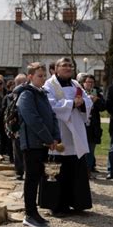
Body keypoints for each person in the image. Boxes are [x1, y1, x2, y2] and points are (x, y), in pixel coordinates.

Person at [44, 57, 93, 215]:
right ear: (56, 69)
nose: (68, 68)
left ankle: (77, 203)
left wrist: (83, 103)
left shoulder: (76, 84)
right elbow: (50, 105)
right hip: (60, 131)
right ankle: (57, 206)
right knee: (58, 171)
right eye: (64, 65)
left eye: (70, 65)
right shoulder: (50, 85)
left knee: (75, 170)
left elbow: (87, 101)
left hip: (76, 132)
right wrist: (72, 103)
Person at [17, 62, 60, 227]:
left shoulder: (42, 93)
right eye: (39, 76)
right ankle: (30, 213)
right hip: (32, 143)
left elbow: (52, 116)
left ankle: (35, 212)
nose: (43, 79)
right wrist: (49, 138)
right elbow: (33, 120)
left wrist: (55, 137)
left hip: (43, 142)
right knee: (31, 178)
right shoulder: (26, 95)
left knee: (37, 176)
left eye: (44, 76)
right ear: (30, 77)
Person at [81, 75, 105, 176]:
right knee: (81, 150)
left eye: (92, 82)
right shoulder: (79, 93)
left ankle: (88, 171)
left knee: (91, 150)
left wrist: (97, 100)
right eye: (88, 82)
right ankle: (80, 171)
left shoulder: (98, 93)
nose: (90, 84)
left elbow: (103, 107)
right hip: (82, 125)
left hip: (93, 126)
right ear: (83, 83)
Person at [5, 73, 28, 179]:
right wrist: (9, 128)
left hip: (27, 128)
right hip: (16, 128)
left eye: (23, 82)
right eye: (18, 83)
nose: (21, 85)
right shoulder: (10, 97)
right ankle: (19, 172)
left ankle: (27, 171)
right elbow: (6, 113)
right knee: (17, 151)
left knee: (26, 152)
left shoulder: (29, 94)